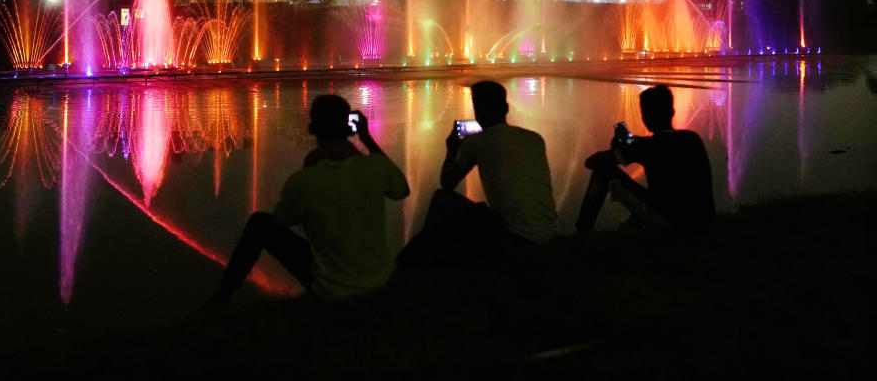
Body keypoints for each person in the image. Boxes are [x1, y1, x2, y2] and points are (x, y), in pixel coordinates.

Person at [205, 94, 409, 307]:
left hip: (332, 290)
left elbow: (281, 221)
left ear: (312, 129)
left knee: (260, 224)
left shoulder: (303, 181)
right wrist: (366, 137)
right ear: (350, 128)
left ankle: (221, 298)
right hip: (380, 283)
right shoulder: (375, 167)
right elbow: (402, 190)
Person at [399, 80, 558, 265]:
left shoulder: (476, 142)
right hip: (547, 232)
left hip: (514, 237)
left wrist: (451, 149)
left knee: (441, 198)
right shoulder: (535, 139)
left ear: (478, 112)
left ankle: (423, 262)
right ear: (506, 108)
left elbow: (447, 183)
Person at [575, 84, 715, 234]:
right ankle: (635, 222)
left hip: (673, 223)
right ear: (672, 111)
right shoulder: (692, 139)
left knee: (604, 172)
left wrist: (617, 148)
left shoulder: (647, 145)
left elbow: (592, 162)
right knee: (659, 194)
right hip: (703, 221)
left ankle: (582, 230)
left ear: (645, 117)